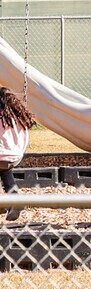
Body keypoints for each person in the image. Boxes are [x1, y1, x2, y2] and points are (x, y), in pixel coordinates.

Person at [0, 87, 33, 221]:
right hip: (15, 156)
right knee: (5, 172)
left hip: (1, 155)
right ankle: (14, 199)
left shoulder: (1, 117)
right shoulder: (20, 117)